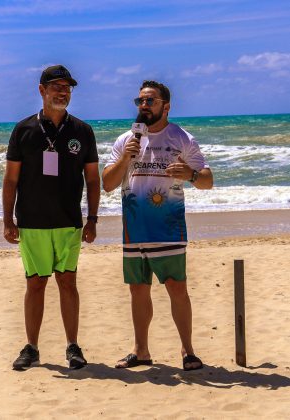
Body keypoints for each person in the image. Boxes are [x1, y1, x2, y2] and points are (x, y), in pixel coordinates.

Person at [102, 80, 213, 371]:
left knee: (177, 287)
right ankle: (141, 351)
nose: (143, 106)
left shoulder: (181, 138)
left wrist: (190, 174)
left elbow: (207, 180)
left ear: (166, 106)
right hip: (134, 230)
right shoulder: (125, 139)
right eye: (139, 101)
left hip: (169, 228)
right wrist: (126, 155)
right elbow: (108, 184)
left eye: (150, 101)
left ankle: (188, 351)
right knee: (138, 289)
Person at [3, 64, 100, 370]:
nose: (63, 92)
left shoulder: (82, 131)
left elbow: (93, 179)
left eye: (67, 87)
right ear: (42, 90)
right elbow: (11, 180)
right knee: (35, 284)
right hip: (31, 222)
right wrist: (8, 220)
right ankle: (31, 347)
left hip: (69, 221)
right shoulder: (24, 130)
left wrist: (93, 218)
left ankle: (73, 346)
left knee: (68, 283)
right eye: (57, 86)